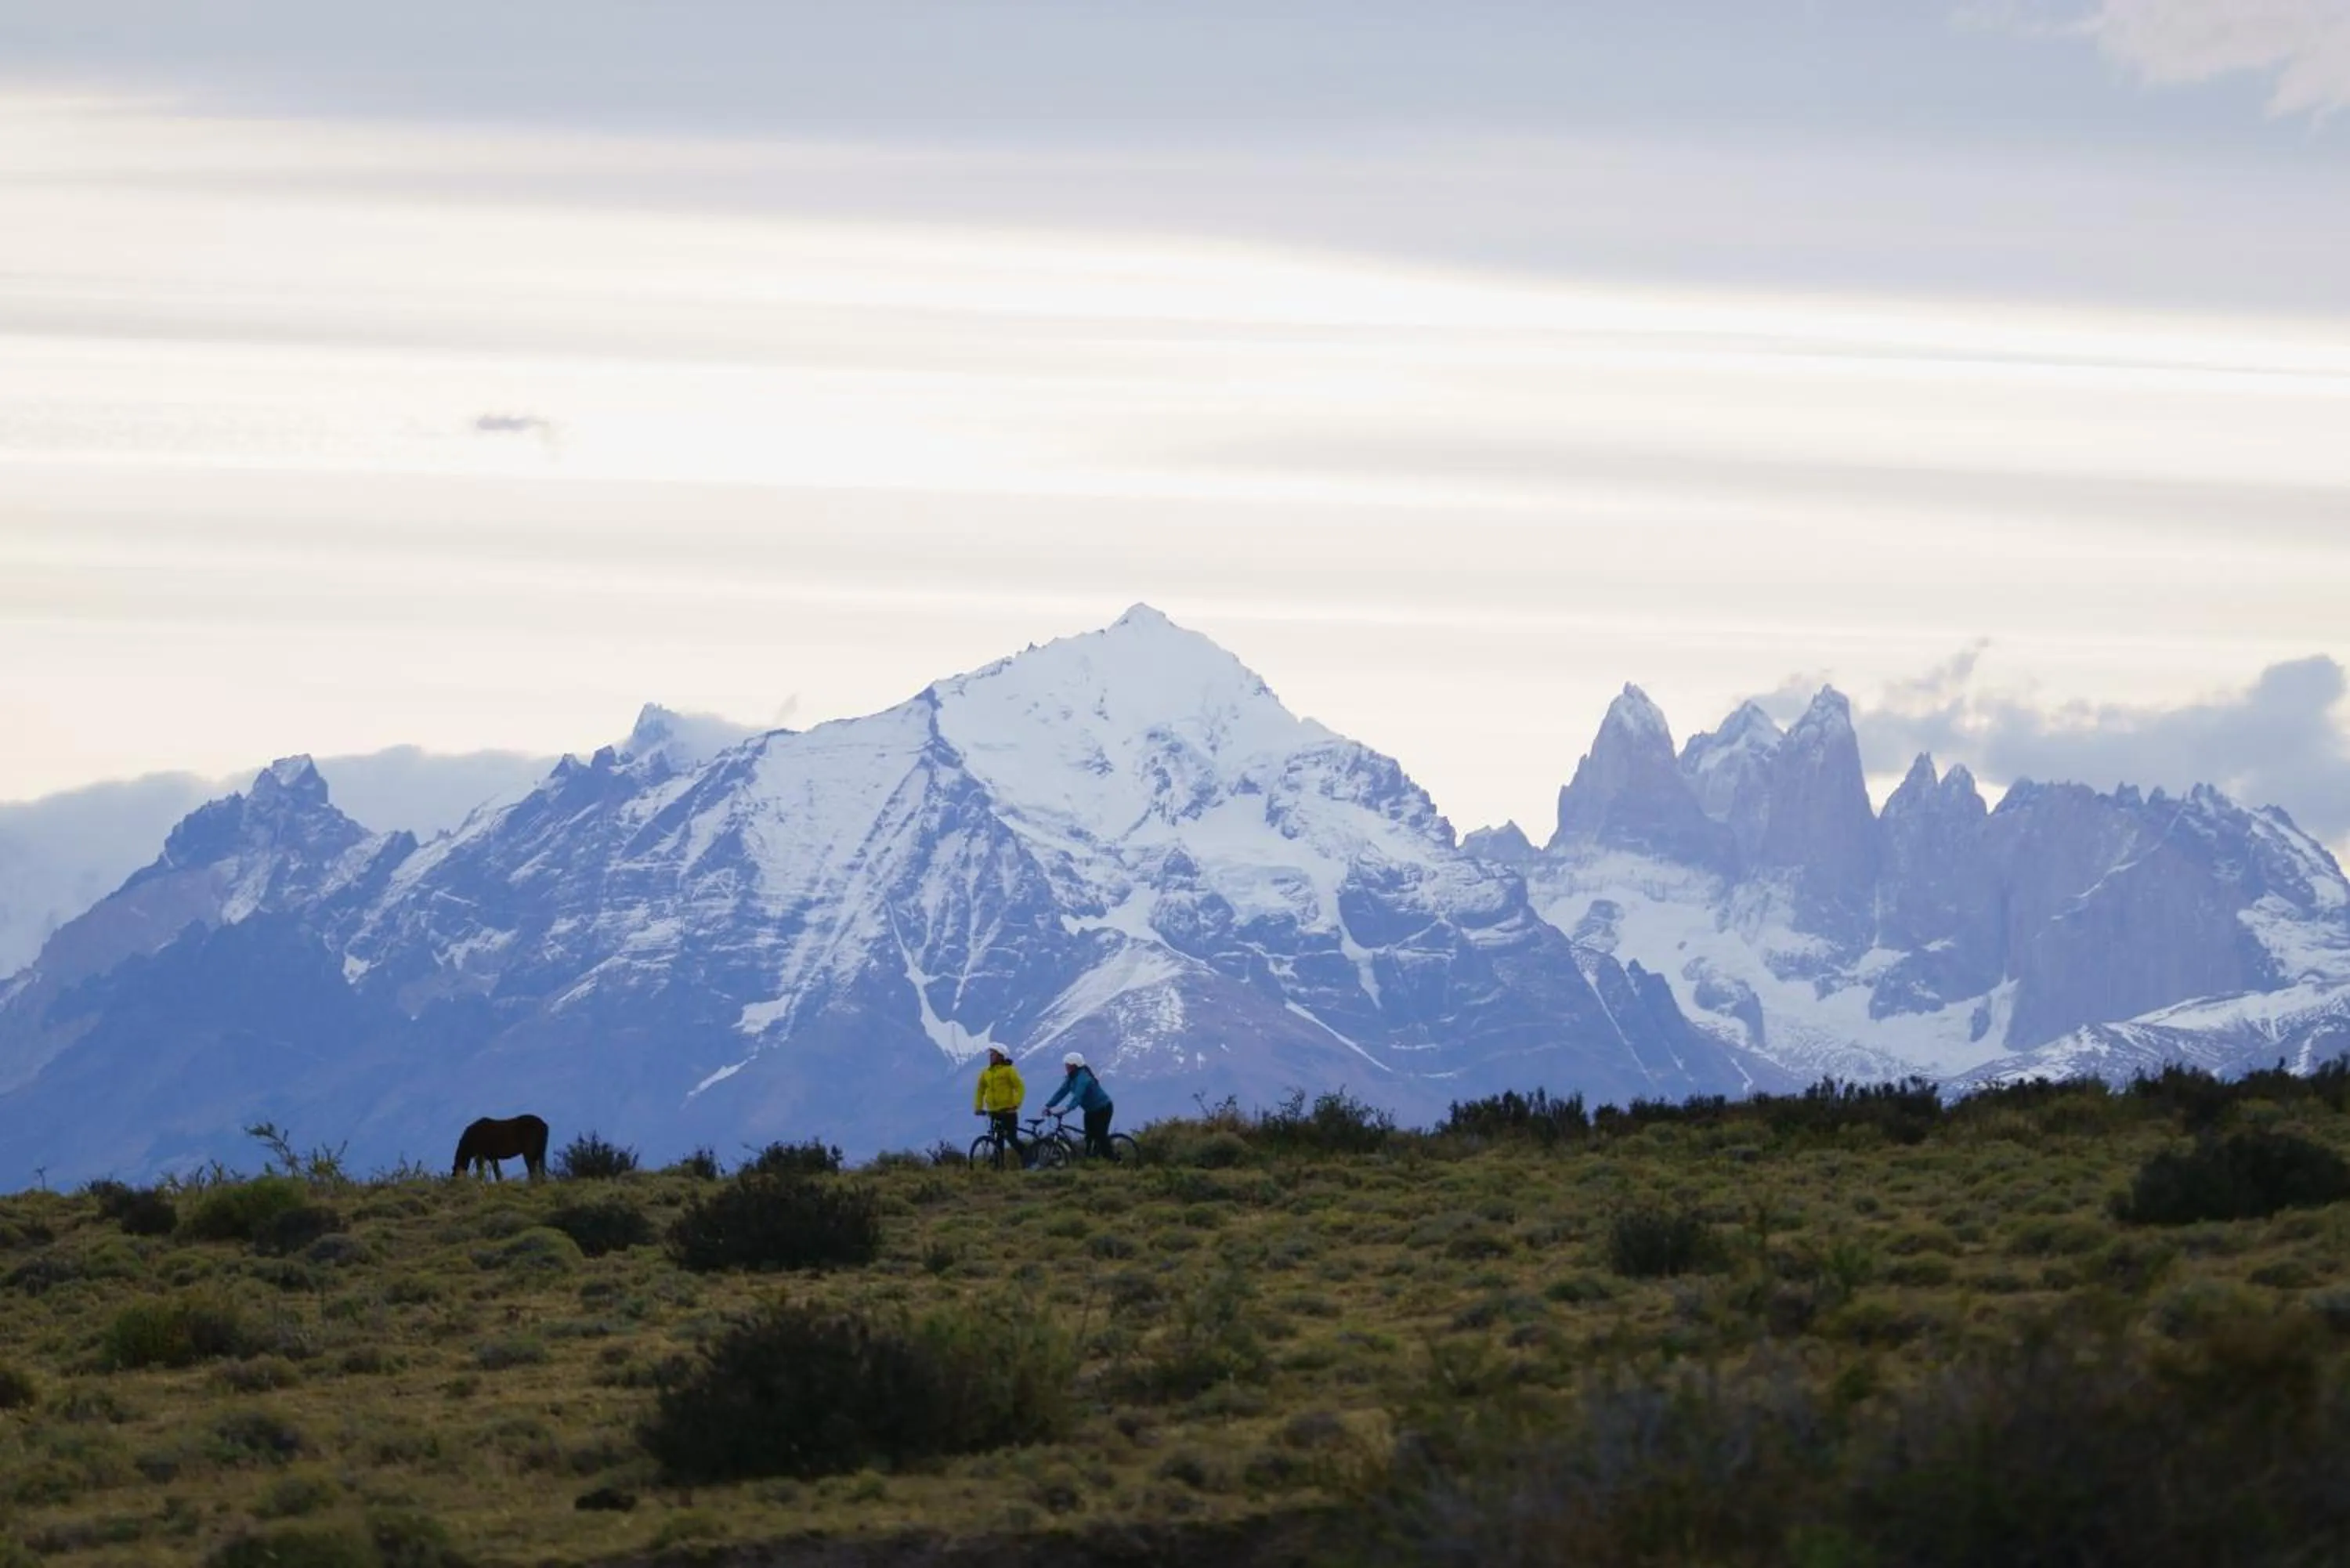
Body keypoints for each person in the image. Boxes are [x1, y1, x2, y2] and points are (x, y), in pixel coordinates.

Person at [1044, 1050, 1116, 1159]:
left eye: (1068, 1065)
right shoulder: (1071, 1078)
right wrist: (1048, 1105)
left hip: (1103, 1109)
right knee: (1089, 1136)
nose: (1066, 1067)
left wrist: (1067, 1109)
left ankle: (1114, 1160)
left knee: (1101, 1136)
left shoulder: (1083, 1078)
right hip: (1090, 1111)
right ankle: (1090, 1159)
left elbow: (1078, 1096)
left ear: (1075, 1066)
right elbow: (1062, 1092)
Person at [973, 1044, 1025, 1158]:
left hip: (1008, 1111)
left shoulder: (1009, 1070)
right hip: (994, 1112)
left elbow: (1019, 1087)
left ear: (1001, 1056)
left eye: (993, 1054)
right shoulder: (986, 1072)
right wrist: (978, 1107)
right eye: (990, 1054)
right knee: (997, 1139)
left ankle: (1029, 1157)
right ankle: (999, 1166)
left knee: (1011, 1139)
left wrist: (1016, 1105)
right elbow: (980, 1090)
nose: (990, 1056)